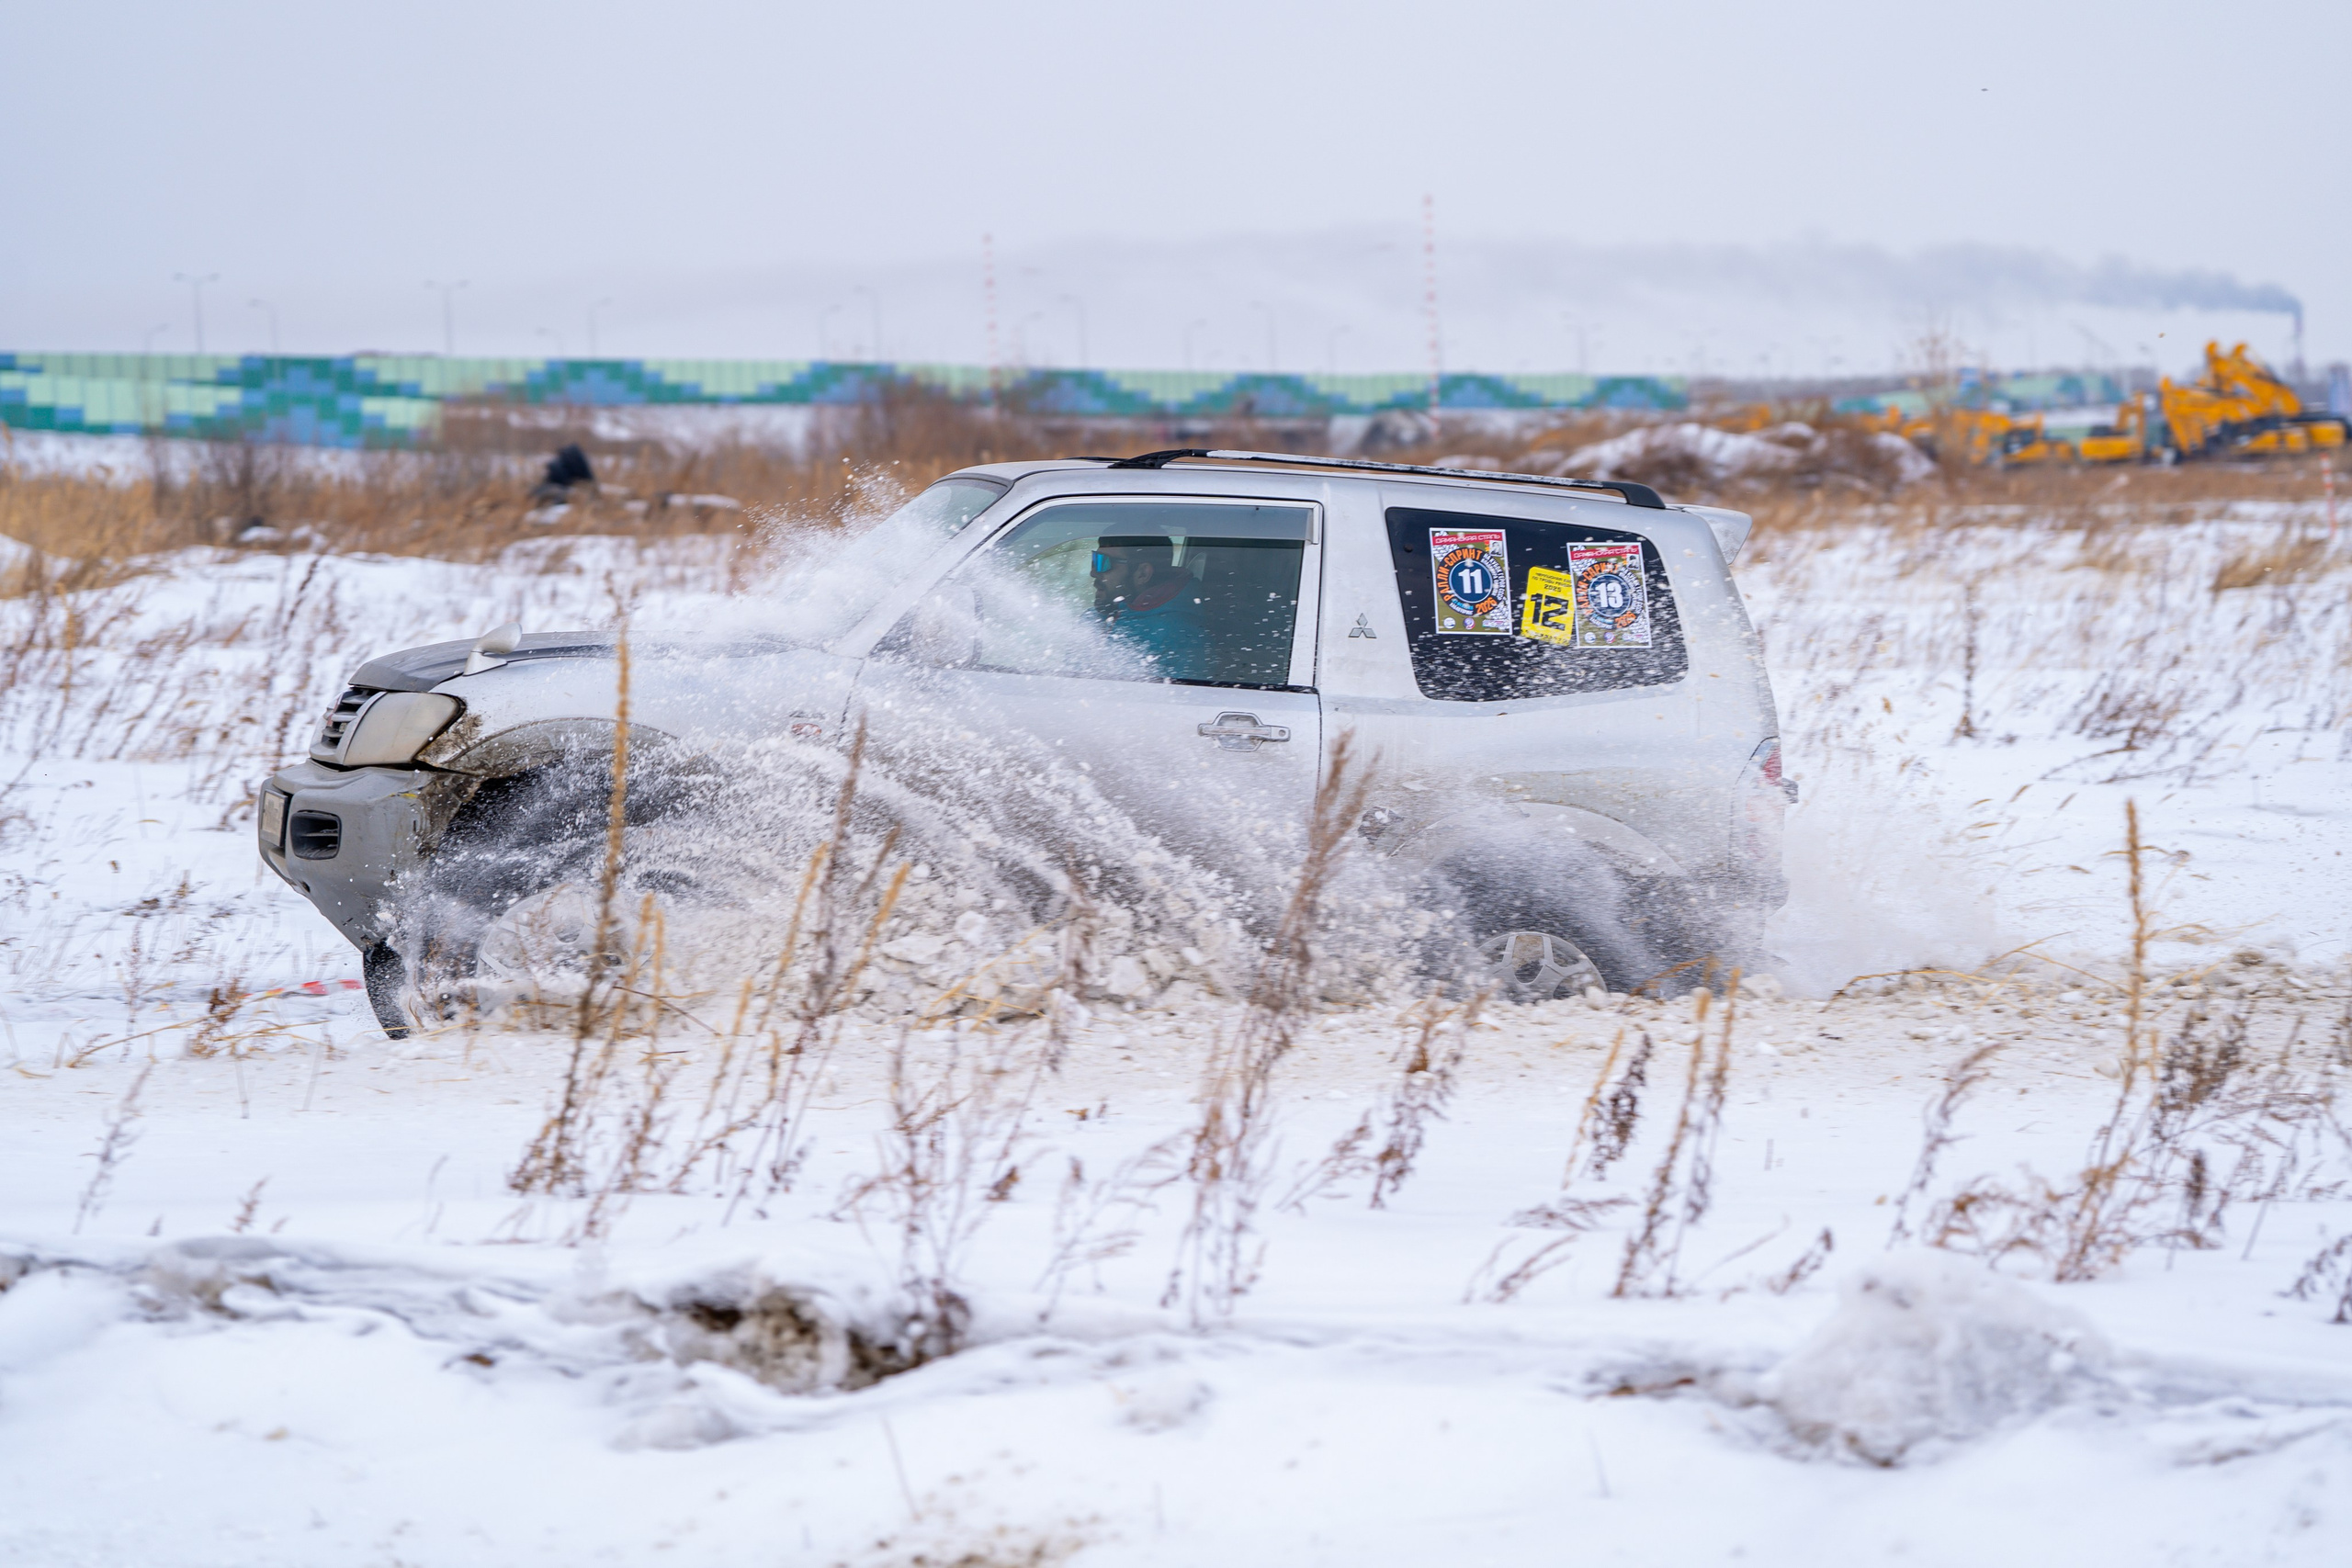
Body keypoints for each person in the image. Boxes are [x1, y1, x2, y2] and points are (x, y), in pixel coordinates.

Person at [1091, 536, 1206, 677]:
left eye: (1103, 563)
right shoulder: (1093, 618)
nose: (1093, 573)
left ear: (1143, 574)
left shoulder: (1180, 638)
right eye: (1094, 560)